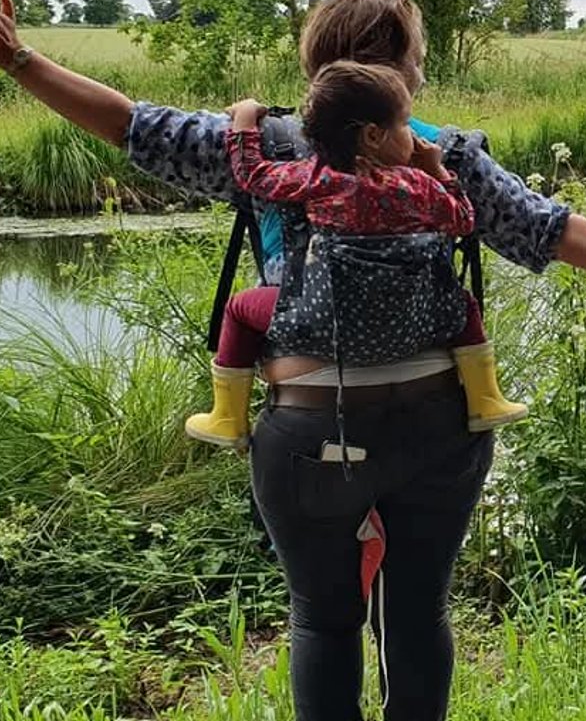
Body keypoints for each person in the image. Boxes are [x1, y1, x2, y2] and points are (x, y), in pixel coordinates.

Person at [0, 0, 586, 721]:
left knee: (323, 621)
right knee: (418, 614)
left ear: (317, 63)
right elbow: (546, 228)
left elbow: (131, 125)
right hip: (439, 424)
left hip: (305, 429)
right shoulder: (442, 151)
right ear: (404, 67)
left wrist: (21, 61)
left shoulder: (262, 144)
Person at [186, 61, 527, 449]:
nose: (414, 136)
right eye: (406, 124)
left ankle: (228, 417)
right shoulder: (414, 185)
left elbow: (253, 176)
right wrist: (437, 171)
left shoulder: (316, 179)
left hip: (325, 327)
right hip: (411, 325)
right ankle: (485, 398)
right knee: (462, 303)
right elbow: (465, 220)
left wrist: (245, 122)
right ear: (373, 135)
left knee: (239, 309)